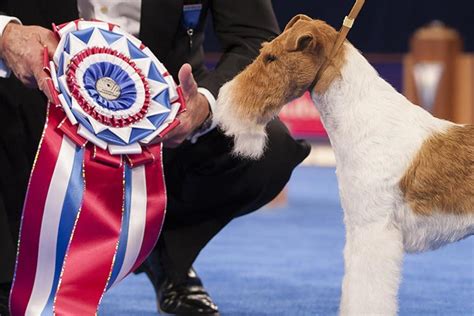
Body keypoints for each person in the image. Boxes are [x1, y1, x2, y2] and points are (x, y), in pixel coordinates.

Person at [0, 1, 310, 315]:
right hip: (28, 118)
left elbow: (256, 41)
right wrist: (5, 34)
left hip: (164, 128)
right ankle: (8, 268)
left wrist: (204, 105)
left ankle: (165, 253)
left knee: (270, 148)